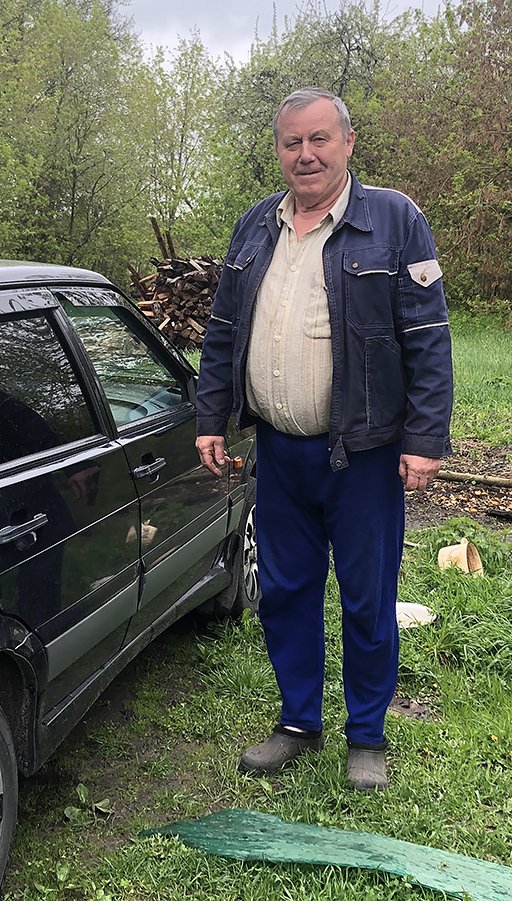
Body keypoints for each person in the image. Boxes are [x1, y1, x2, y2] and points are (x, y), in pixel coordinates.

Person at [195, 87, 453, 792]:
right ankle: (298, 721)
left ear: (347, 143)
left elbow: (428, 341)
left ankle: (366, 733)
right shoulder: (254, 228)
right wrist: (208, 417)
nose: (304, 155)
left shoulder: (394, 221)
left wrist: (425, 438)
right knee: (284, 590)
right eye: (291, 142)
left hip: (365, 455)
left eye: (318, 140)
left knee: (367, 596)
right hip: (280, 452)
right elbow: (222, 334)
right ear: (278, 150)